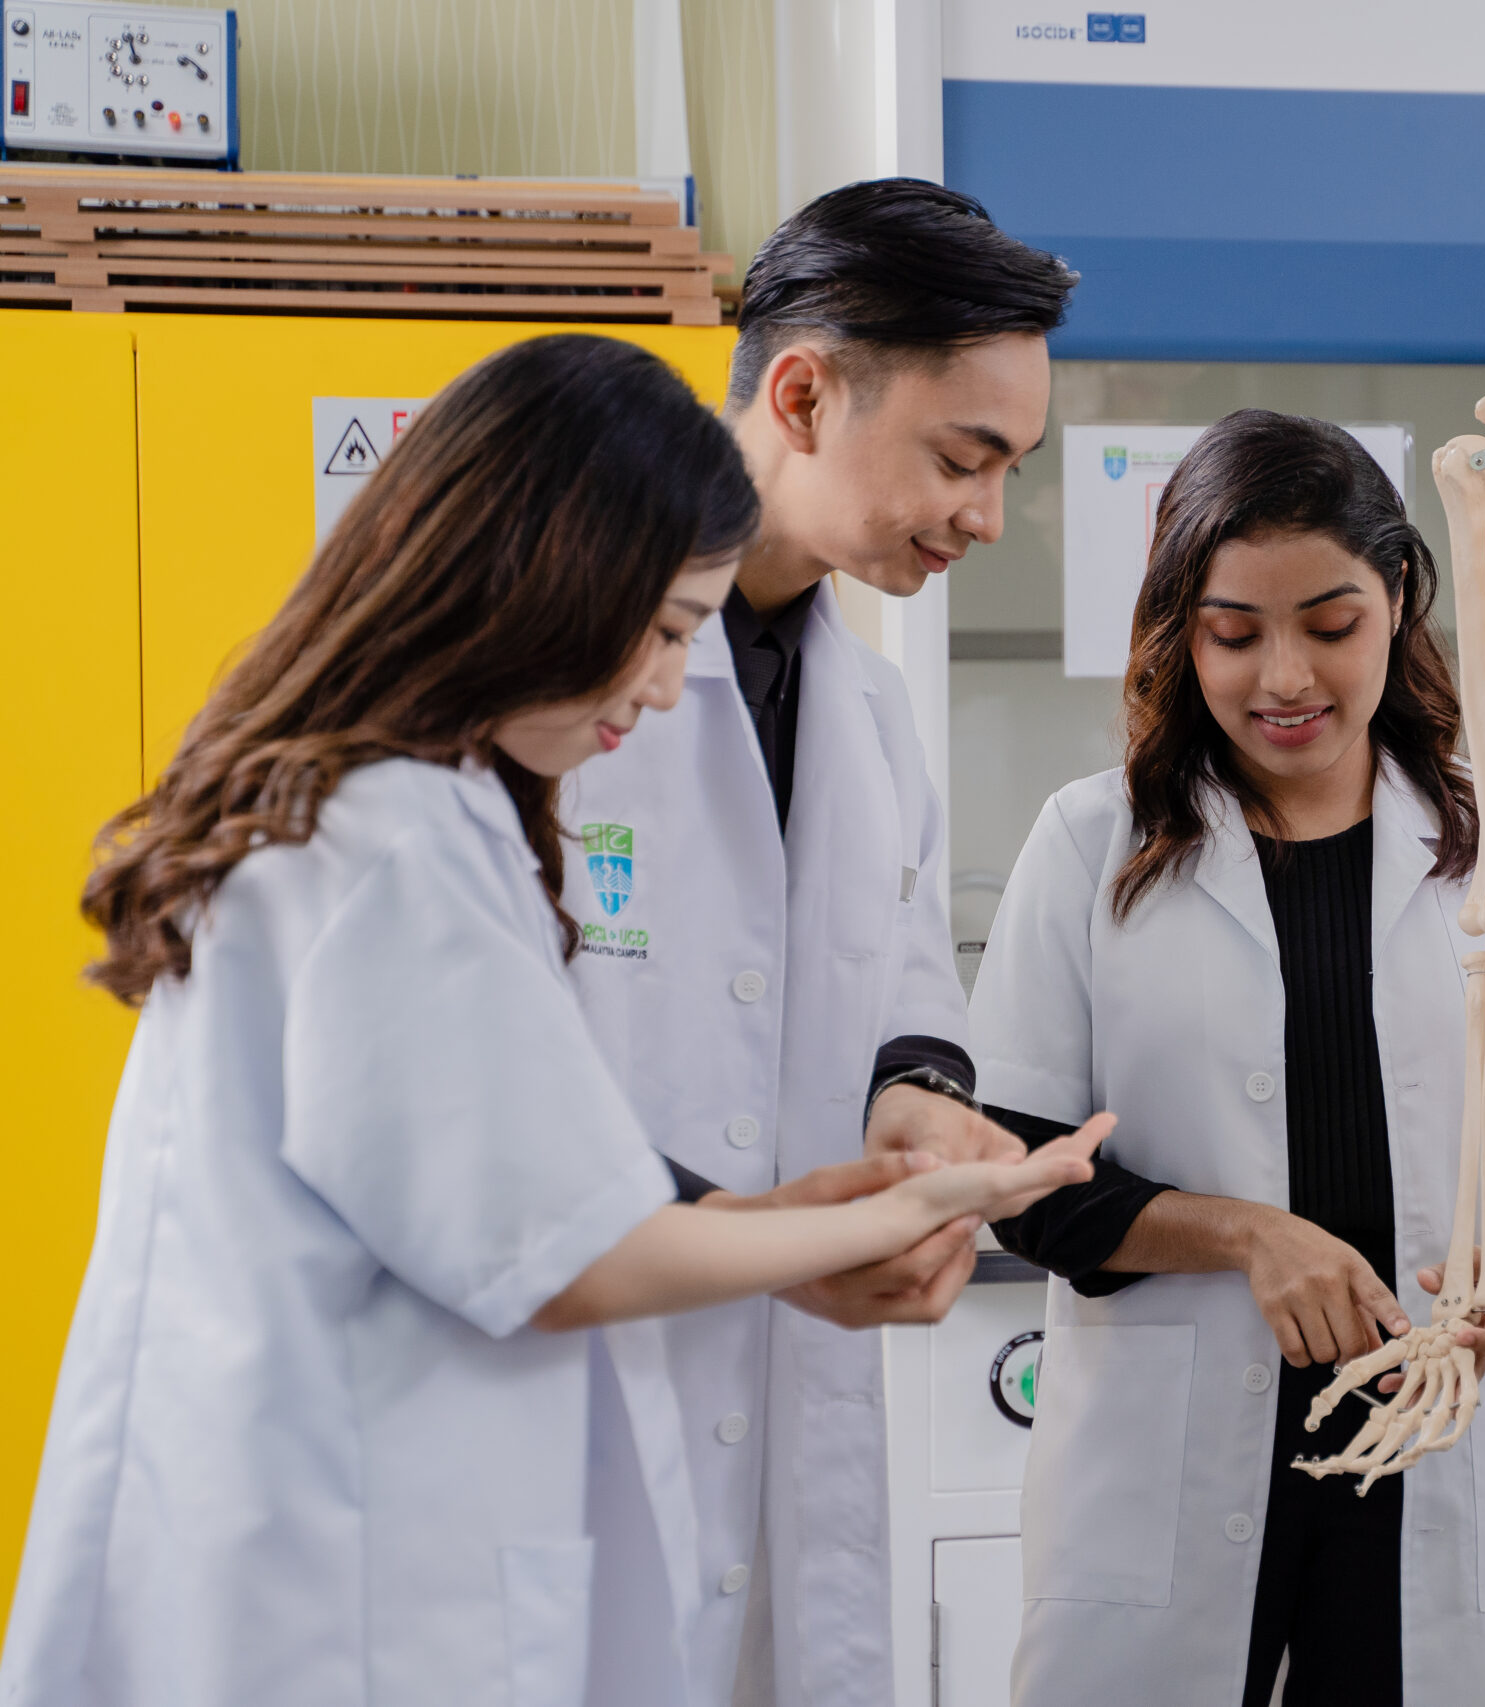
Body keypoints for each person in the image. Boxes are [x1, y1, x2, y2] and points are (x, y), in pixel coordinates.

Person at [0, 335, 1104, 1707]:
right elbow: (564, 1250)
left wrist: (799, 1211)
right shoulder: (396, 837)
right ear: (538, 574)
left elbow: (512, 1175)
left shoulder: (407, 810)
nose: (658, 686)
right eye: (659, 633)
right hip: (322, 1576)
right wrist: (890, 1214)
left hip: (370, 1525)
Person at [968, 411, 1485, 1707]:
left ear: (1399, 598)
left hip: (1435, 1450)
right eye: (1234, 633)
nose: (1284, 677)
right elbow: (1019, 1175)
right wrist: (1248, 1236)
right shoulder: (1093, 844)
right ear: (1178, 631)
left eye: (1330, 623)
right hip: (1177, 1470)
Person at [559, 181, 1079, 1706]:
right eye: (960, 458)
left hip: (790, 1421)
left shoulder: (867, 712)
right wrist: (772, 1244)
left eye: (1010, 469)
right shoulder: (553, 694)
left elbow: (899, 992)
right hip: (581, 1401)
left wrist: (916, 1104)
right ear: (800, 393)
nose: (986, 515)